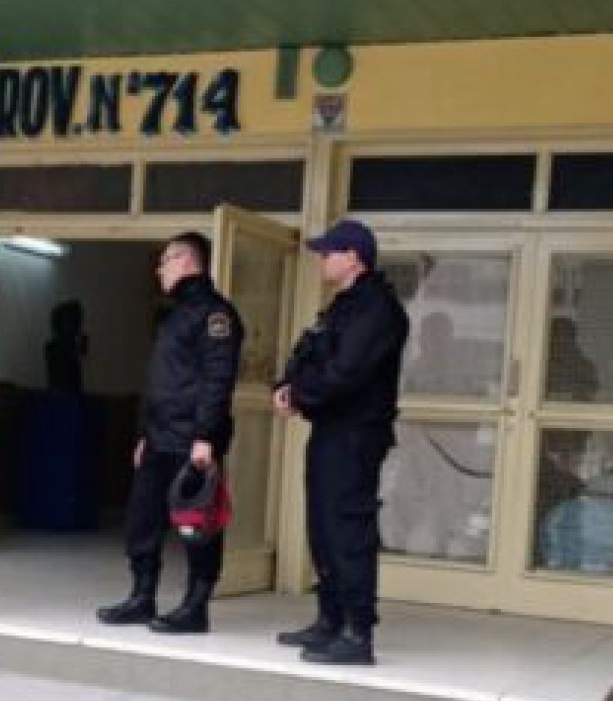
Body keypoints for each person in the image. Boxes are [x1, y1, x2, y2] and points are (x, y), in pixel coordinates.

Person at [275, 219, 409, 665]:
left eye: (328, 252)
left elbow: (346, 373)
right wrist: (287, 385)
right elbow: (307, 354)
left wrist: (301, 392)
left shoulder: (378, 310)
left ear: (353, 256)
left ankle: (357, 632)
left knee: (348, 529)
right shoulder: (343, 306)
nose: (321, 259)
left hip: (355, 434)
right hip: (330, 429)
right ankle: (330, 618)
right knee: (322, 526)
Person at [97, 232, 244, 634]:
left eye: (164, 261)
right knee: (142, 521)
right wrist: (145, 433)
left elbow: (218, 379)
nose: (159, 270)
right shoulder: (174, 314)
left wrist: (206, 437)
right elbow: (161, 382)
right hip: (160, 437)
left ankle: (195, 607)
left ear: (185, 261)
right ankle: (142, 597)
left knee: (197, 525)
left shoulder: (217, 315)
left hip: (191, 441)